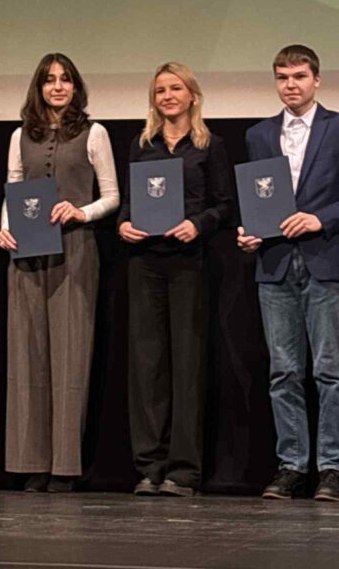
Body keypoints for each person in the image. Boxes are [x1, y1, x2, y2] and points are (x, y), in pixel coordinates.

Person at [237, 44, 339, 502]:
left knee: (331, 370)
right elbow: (258, 198)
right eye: (282, 77)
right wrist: (251, 233)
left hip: (325, 260)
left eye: (298, 76)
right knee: (284, 372)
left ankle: (333, 468)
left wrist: (320, 218)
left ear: (317, 80)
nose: (290, 85)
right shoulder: (258, 134)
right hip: (275, 264)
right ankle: (291, 465)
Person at [0, 53, 119, 493]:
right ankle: (32, 463)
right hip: (27, 253)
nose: (57, 86)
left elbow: (112, 196)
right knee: (27, 356)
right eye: (49, 80)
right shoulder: (20, 136)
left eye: (65, 79)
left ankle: (65, 466)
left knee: (70, 358)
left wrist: (81, 212)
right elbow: (12, 189)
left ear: (76, 86)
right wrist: (4, 229)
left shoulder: (94, 133)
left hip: (75, 251)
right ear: (39, 87)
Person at [118, 62, 231, 498]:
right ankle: (149, 465)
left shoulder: (209, 145)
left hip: (188, 263)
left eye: (175, 88)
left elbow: (225, 205)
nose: (167, 96)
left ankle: (183, 471)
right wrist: (124, 224)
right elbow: (129, 203)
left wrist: (198, 224)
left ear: (191, 96)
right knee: (147, 367)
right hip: (144, 263)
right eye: (160, 90)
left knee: (186, 366)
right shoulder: (141, 145)